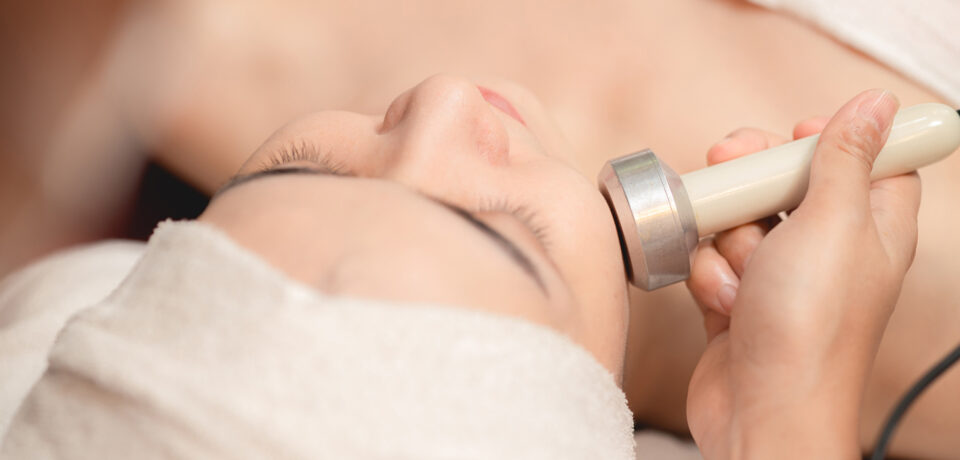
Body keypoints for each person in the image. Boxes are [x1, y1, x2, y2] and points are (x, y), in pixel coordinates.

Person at [0, 76, 918, 459]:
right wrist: (794, 420)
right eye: (505, 235)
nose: (436, 99)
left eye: (300, 174)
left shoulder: (57, 322)